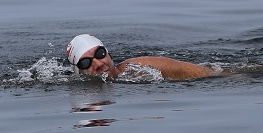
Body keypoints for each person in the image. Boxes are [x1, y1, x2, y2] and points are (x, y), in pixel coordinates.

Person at [66, 34, 217, 81]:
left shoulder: (139, 67)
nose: (98, 63)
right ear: (78, 72)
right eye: (86, 63)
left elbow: (209, 73)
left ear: (109, 54)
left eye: (100, 54)